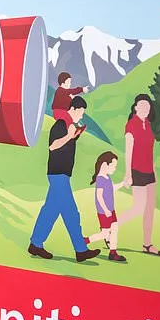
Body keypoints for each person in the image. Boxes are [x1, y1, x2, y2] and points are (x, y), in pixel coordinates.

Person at [27, 96, 102, 263]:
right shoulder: (61, 124)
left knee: (50, 210)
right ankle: (80, 249)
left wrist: (74, 135)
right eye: (81, 112)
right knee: (71, 212)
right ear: (73, 109)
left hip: (62, 174)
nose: (81, 116)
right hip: (58, 174)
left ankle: (35, 243)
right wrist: (69, 136)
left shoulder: (68, 126)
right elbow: (52, 146)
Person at [119, 94, 160, 256]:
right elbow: (128, 151)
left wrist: (154, 170)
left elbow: (149, 150)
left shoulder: (148, 125)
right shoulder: (131, 125)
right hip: (136, 171)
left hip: (149, 172)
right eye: (142, 105)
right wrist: (128, 174)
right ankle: (111, 229)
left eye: (147, 106)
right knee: (138, 207)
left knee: (149, 210)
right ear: (136, 107)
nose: (145, 108)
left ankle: (147, 244)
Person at [87, 151, 128, 262]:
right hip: (104, 212)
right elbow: (99, 196)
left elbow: (112, 189)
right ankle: (85, 241)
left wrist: (122, 183)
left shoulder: (107, 177)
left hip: (111, 210)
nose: (114, 169)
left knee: (114, 229)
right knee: (105, 233)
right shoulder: (100, 179)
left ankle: (113, 252)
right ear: (105, 165)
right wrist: (105, 210)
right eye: (113, 166)